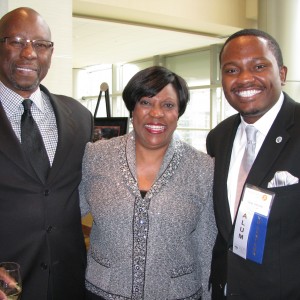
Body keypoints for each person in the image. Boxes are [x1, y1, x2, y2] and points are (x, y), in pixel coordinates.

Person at [80, 66, 217, 300]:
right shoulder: (96, 156)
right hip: (103, 290)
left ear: (178, 112)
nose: (156, 113)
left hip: (176, 294)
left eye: (168, 105)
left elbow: (206, 245)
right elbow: (62, 217)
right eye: (146, 102)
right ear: (133, 107)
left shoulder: (203, 168)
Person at [0, 7, 93, 300]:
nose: (29, 53)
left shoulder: (79, 117)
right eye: (16, 41)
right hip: (8, 285)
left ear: (50, 53)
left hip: (69, 282)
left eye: (40, 45)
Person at [206, 28, 300, 299]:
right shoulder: (219, 137)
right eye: (232, 70)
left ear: (281, 73)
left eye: (258, 66)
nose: (245, 79)